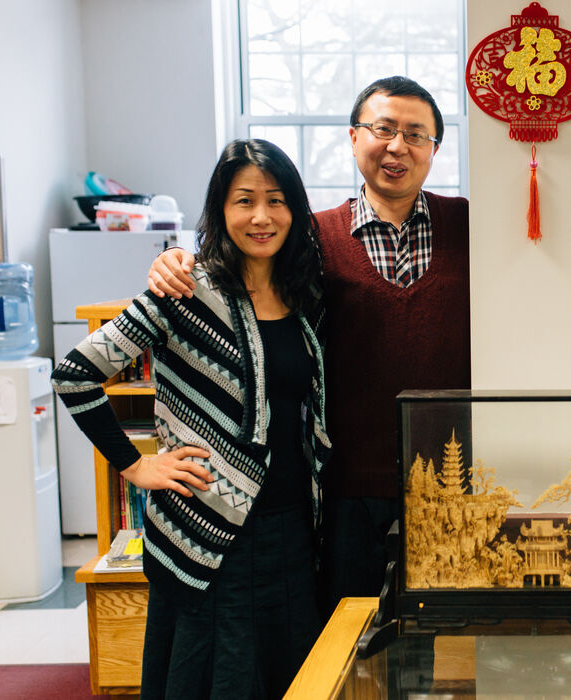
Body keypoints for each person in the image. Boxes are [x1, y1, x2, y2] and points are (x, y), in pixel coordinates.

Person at [144, 76, 470, 615]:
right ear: (353, 137)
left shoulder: (468, 225)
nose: (398, 147)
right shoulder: (310, 237)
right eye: (383, 129)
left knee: (447, 642)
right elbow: (240, 265)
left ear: (435, 148)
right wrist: (178, 260)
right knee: (351, 641)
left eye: (417, 135)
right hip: (344, 487)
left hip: (453, 481)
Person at [52, 139, 329, 699]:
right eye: (243, 200)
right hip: (209, 537)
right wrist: (135, 466)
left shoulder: (305, 293)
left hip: (292, 532)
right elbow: (74, 375)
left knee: (291, 676)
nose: (260, 216)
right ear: (220, 210)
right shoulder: (183, 288)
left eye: (276, 200)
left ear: (295, 210)